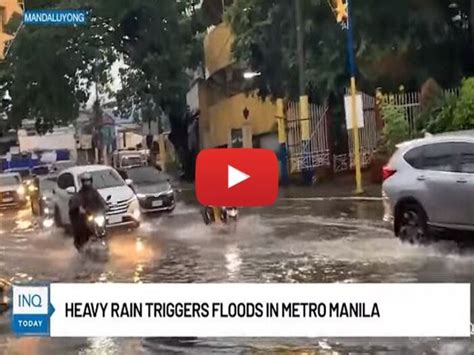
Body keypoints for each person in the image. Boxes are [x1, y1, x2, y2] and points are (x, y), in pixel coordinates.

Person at [69, 172, 107, 251]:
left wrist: (105, 206)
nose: (87, 183)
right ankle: (83, 246)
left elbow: (100, 200)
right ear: (82, 182)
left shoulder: (94, 192)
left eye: (88, 180)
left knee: (103, 227)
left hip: (95, 215)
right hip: (85, 217)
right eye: (85, 181)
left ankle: (104, 241)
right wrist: (79, 208)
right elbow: (75, 202)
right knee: (82, 229)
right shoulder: (80, 194)